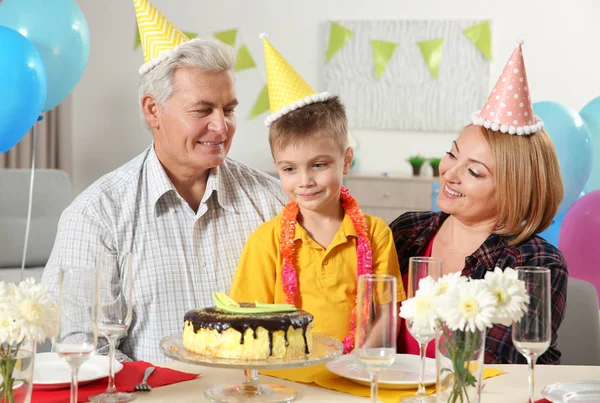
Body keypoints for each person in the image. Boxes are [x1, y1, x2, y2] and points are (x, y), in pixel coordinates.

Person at [41, 0, 285, 362]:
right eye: (203, 110)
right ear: (152, 110)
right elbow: (82, 349)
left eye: (229, 109)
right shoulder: (95, 216)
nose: (221, 126)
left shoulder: (271, 200)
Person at [391, 42, 567, 364]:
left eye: (474, 171)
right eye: (452, 154)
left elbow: (496, 367)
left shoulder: (536, 261)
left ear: (515, 191)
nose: (449, 174)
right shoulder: (407, 230)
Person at [229, 35, 405, 354]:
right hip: (285, 384)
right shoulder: (265, 242)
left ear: (346, 160)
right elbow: (245, 321)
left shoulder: (376, 234)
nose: (305, 180)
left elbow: (387, 315)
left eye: (319, 164)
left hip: (354, 380)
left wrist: (356, 364)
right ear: (277, 168)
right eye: (290, 169)